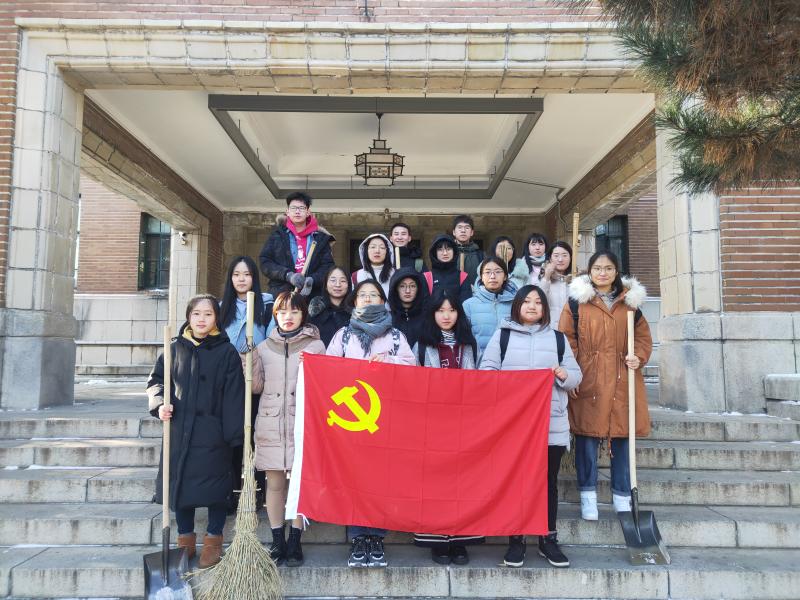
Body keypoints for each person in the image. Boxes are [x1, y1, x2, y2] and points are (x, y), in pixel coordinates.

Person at [480, 285, 581, 568]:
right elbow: (486, 372)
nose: (533, 306)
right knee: (516, 483)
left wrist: (563, 374)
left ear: (545, 309)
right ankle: (517, 540)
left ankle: (548, 539)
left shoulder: (558, 339)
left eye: (538, 302)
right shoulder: (502, 336)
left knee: (548, 483)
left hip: (551, 422)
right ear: (517, 306)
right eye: (527, 301)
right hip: (513, 425)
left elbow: (576, 376)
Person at [147, 294, 245, 568]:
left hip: (214, 433)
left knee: (216, 489)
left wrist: (233, 436)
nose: (202, 319)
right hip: (180, 431)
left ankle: (213, 539)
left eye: (208, 314)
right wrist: (160, 404)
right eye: (196, 314)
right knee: (182, 487)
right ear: (189, 317)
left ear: (217, 319)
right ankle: (185, 540)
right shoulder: (174, 349)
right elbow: (156, 382)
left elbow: (234, 396)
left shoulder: (226, 352)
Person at [326, 280, 416, 568]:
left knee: (380, 478)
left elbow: (413, 368)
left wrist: (390, 362)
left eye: (373, 294)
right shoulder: (342, 335)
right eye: (362, 295)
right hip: (352, 421)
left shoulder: (395, 337)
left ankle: (376, 537)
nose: (367, 299)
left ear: (382, 300)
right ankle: (357, 538)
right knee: (354, 478)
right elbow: (327, 369)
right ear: (354, 301)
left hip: (386, 418)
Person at [558, 251, 651, 521]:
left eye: (608, 268)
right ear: (590, 271)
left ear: (616, 272)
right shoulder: (577, 303)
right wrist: (572, 376)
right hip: (589, 377)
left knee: (622, 437)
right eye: (597, 268)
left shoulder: (630, 304)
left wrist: (638, 357)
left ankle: (622, 495)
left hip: (623, 377)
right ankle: (588, 496)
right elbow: (565, 340)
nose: (603, 273)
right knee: (587, 438)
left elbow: (643, 338)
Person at [252, 292, 326, 567]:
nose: (288, 317)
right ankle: (277, 539)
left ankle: (295, 539)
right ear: (275, 315)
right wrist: (248, 360)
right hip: (271, 422)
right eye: (283, 312)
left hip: (302, 423)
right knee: (274, 484)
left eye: (294, 311)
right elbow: (255, 388)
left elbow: (325, 387)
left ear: (303, 315)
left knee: (299, 485)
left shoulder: (316, 346)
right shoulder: (263, 347)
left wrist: (313, 368)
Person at [411, 288, 483, 564]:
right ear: (432, 314)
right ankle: (437, 539)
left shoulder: (469, 345)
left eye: (451, 310)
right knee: (435, 482)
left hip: (465, 424)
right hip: (431, 424)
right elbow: (410, 383)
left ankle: (460, 540)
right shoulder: (421, 345)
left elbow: (480, 382)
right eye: (440, 310)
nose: (446, 315)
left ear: (458, 314)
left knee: (463, 483)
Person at [219, 255, 273, 513]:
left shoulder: (268, 304)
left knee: (256, 436)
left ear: (254, 277)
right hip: (229, 381)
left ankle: (257, 490)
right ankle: (231, 491)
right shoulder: (221, 308)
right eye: (236, 274)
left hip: (258, 377)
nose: (241, 279)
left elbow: (272, 338)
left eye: (247, 274)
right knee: (232, 436)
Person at [259, 191, 334, 299]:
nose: (297, 211)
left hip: (312, 296)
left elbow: (328, 266)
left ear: (308, 212)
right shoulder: (277, 235)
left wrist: (312, 280)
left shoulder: (320, 238)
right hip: (282, 296)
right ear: (287, 211)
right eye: (293, 208)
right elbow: (265, 262)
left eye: (301, 208)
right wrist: (288, 275)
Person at [463, 257, 516, 354]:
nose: (492, 276)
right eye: (487, 272)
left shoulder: (516, 304)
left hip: (510, 359)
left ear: (505, 276)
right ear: (481, 277)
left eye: (498, 272)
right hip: (479, 360)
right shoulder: (468, 305)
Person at [308, 266, 352, 346]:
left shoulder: (355, 314)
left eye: (343, 281)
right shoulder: (315, 311)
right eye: (333, 280)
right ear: (325, 285)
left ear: (349, 285)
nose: (338, 285)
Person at [388, 267, 427, 349]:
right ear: (395, 289)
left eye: (412, 286)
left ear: (418, 289)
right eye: (402, 286)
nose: (408, 291)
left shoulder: (428, 318)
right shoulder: (387, 319)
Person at [424, 234, 472, 303]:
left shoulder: (463, 277)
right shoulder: (427, 277)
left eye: (448, 249)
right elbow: (424, 305)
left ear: (454, 251)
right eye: (440, 250)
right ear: (435, 253)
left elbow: (466, 304)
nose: (445, 253)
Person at [538, 241, 573, 330]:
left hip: (571, 330)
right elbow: (539, 300)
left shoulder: (577, 280)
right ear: (550, 258)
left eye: (565, 255)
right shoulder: (543, 279)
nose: (560, 259)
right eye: (556, 256)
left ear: (571, 257)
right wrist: (546, 277)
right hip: (548, 329)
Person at [352, 233, 395, 298]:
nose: (377, 251)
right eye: (373, 247)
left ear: (388, 252)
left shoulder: (395, 274)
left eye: (382, 247)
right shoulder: (356, 276)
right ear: (366, 251)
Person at [451, 215, 484, 281]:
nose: (463, 231)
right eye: (459, 227)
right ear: (454, 232)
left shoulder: (481, 255)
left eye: (467, 228)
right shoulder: (447, 254)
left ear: (472, 232)